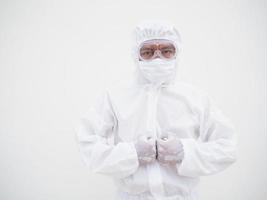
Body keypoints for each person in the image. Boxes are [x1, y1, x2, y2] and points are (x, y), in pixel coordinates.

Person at [75, 20, 237, 200]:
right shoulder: (114, 96)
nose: (157, 58)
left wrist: (185, 151)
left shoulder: (195, 98)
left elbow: (228, 147)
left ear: (177, 53)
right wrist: (132, 153)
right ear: (136, 55)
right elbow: (86, 143)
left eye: (167, 51)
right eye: (148, 52)